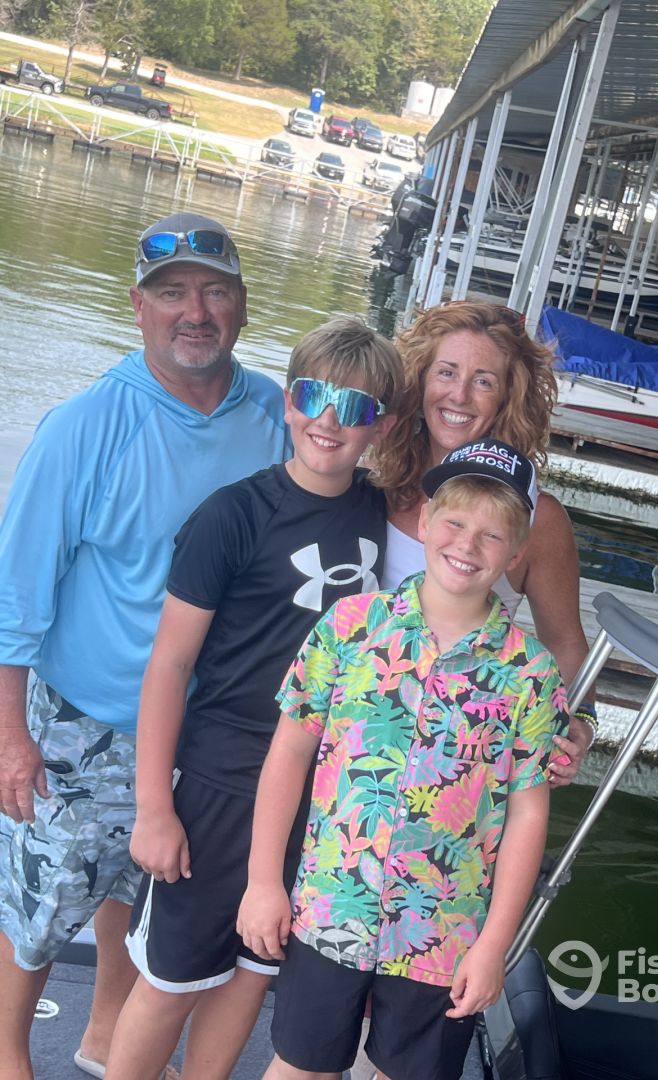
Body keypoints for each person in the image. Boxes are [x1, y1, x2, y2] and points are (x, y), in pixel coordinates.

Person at [0, 211, 291, 1080]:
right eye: (172, 293)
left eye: (214, 292)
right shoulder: (84, 425)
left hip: (210, 730)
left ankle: (103, 1033)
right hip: (85, 723)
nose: (194, 312)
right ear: (138, 306)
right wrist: (10, 736)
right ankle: (9, 1055)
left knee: (145, 891)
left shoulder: (276, 413)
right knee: (41, 904)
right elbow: (15, 597)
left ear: (243, 306)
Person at [104, 318, 401, 1080]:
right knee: (171, 980)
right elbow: (170, 665)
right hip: (218, 784)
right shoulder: (231, 516)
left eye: (355, 406)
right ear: (288, 402)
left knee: (252, 969)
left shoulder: (383, 517)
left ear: (380, 425)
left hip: (316, 796)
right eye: (314, 396)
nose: (330, 419)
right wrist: (154, 807)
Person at [237, 439, 569, 1080]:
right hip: (331, 907)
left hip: (444, 934)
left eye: (492, 535)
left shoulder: (532, 674)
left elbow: (528, 815)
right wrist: (261, 882)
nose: (467, 545)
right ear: (423, 523)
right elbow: (288, 753)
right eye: (455, 523)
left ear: (516, 554)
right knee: (299, 1065)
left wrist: (493, 945)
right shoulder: (349, 625)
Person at [373, 300, 598, 777]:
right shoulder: (378, 479)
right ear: (419, 381)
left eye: (483, 382)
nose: (459, 396)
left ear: (507, 398)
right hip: (359, 725)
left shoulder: (539, 517)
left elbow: (564, 641)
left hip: (460, 755)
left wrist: (580, 719)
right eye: (446, 373)